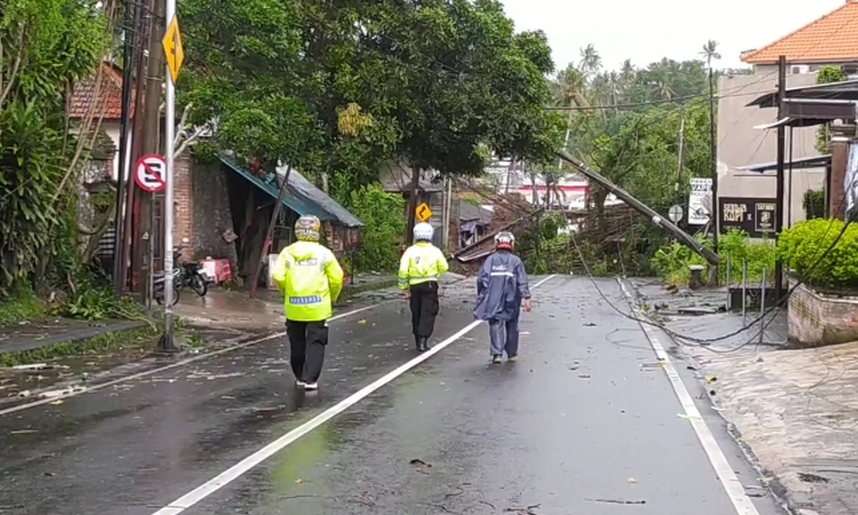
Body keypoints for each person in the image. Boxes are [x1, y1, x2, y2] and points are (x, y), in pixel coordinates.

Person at [271, 215, 344, 390]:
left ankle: (299, 376)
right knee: (316, 342)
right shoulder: (324, 254)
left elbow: (278, 276)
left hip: (294, 306)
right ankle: (310, 379)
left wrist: (287, 293)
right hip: (318, 308)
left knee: (296, 342)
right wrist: (332, 297)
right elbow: (337, 278)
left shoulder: (287, 253)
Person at [474, 231, 531, 364]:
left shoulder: (490, 260)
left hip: (494, 299)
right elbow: (522, 280)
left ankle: (497, 353)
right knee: (512, 324)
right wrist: (526, 298)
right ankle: (511, 353)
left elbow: (481, 280)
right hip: (512, 299)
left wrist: (482, 296)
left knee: (495, 323)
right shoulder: (516, 261)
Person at [399, 222, 449, 352]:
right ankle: (423, 339)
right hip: (430, 285)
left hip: (414, 286)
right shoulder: (435, 251)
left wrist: (404, 287)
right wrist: (435, 274)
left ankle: (417, 338)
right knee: (428, 312)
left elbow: (403, 270)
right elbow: (444, 267)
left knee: (416, 311)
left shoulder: (410, 251)